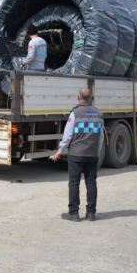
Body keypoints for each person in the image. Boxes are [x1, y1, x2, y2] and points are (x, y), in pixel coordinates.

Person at [52, 87, 104, 222]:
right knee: (91, 183)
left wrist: (60, 150)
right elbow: (101, 137)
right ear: (91, 98)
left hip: (76, 154)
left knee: (74, 183)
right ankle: (91, 213)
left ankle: (73, 214)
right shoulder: (99, 114)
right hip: (92, 154)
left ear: (78, 97)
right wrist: (96, 150)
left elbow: (68, 135)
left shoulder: (75, 113)